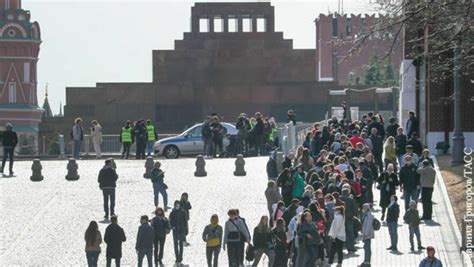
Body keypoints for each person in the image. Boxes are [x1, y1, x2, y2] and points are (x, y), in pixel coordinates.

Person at [340, 186, 358, 253]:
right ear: (348, 192)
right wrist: (353, 215)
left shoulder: (339, 199)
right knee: (350, 233)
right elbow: (355, 209)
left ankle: (341, 248)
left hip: (341, 219)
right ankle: (351, 248)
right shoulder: (350, 200)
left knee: (341, 233)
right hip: (349, 218)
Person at [361, 203, 374, 267]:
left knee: (367, 248)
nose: (363, 208)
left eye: (365, 207)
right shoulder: (366, 214)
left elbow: (368, 225)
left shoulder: (369, 215)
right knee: (366, 247)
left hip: (367, 234)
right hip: (366, 234)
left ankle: (367, 262)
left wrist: (365, 234)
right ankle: (366, 260)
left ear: (368, 208)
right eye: (363, 207)